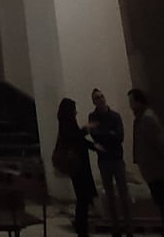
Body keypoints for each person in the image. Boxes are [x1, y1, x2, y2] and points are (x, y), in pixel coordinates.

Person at [128, 89, 164, 237]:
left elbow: (159, 143)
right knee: (161, 200)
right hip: (150, 167)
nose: (130, 105)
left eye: (131, 101)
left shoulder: (148, 119)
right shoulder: (140, 119)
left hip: (156, 167)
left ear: (138, 102)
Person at [88, 88, 132, 234]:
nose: (100, 99)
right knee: (110, 195)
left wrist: (104, 136)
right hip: (104, 160)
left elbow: (119, 136)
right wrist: (110, 134)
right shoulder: (92, 117)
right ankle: (115, 227)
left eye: (101, 96)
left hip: (117, 158)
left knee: (124, 194)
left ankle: (128, 226)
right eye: (97, 98)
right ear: (94, 101)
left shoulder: (115, 116)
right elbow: (95, 136)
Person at [53, 97, 98, 237]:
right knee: (83, 197)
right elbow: (76, 138)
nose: (76, 112)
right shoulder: (68, 124)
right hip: (78, 165)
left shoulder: (65, 124)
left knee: (82, 197)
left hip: (76, 164)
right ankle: (82, 229)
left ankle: (81, 228)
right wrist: (86, 130)